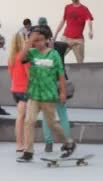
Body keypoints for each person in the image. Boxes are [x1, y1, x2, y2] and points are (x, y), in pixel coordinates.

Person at [17, 27, 75, 162]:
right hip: (34, 94)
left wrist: (63, 92)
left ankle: (68, 143)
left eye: (40, 40)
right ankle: (28, 152)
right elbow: (20, 58)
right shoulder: (31, 53)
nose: (38, 43)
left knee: (51, 123)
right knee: (29, 121)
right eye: (35, 41)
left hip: (48, 95)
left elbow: (60, 74)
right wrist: (28, 42)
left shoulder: (54, 54)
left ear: (47, 40)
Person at [41, 29, 72, 153]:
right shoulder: (60, 46)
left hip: (47, 85)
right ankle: (66, 142)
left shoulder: (40, 50)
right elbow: (71, 44)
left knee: (46, 115)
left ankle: (48, 143)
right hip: (60, 84)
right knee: (62, 114)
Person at [54, 0, 94, 64]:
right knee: (58, 58)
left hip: (78, 40)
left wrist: (90, 31)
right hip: (66, 38)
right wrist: (56, 34)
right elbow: (63, 20)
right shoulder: (67, 7)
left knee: (80, 63)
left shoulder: (84, 9)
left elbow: (89, 20)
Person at [8, 33, 29, 154]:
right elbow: (29, 74)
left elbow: (11, 75)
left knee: (20, 117)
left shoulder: (11, 57)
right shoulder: (23, 56)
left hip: (15, 90)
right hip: (24, 90)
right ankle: (24, 144)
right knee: (24, 118)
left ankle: (19, 144)